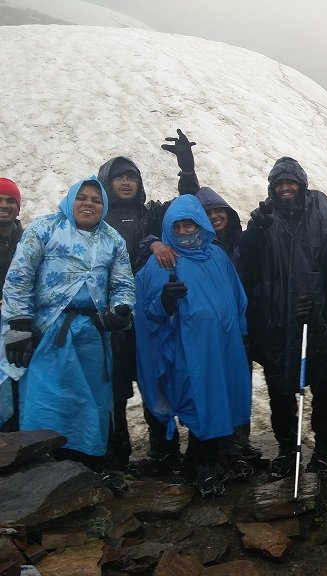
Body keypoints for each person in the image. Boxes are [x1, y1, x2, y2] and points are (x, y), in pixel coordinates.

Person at [0, 178, 135, 486]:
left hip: (93, 335)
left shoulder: (112, 239)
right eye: (82, 198)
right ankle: (43, 468)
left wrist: (121, 310)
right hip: (48, 332)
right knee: (49, 399)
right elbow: (19, 278)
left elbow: (123, 284)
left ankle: (86, 466)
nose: (89, 204)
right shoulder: (43, 229)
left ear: (104, 206)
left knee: (91, 402)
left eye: (96, 200)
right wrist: (19, 324)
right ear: (70, 200)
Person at [239, 156, 327, 477]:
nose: (285, 188)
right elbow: (246, 264)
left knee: (323, 390)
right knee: (280, 390)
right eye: (279, 184)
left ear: (301, 185)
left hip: (315, 321)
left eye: (290, 182)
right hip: (276, 321)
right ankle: (287, 449)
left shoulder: (318, 208)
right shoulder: (266, 217)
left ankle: (322, 452)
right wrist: (257, 228)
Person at [134, 196, 251, 497]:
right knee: (200, 402)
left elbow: (237, 295)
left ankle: (212, 460)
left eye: (190, 224)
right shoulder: (163, 259)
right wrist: (165, 302)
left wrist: (240, 330)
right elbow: (148, 310)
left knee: (222, 399)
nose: (185, 231)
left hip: (223, 346)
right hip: (188, 349)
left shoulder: (216, 255)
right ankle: (200, 466)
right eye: (179, 226)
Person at [97, 131, 198, 471]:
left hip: (153, 312)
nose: (126, 182)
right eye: (119, 177)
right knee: (114, 386)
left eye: (131, 177)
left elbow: (188, 205)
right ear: (106, 183)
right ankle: (117, 455)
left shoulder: (151, 214)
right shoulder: (95, 219)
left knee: (156, 379)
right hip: (112, 317)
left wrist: (186, 168)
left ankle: (165, 450)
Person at [0, 178, 24, 432]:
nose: (4, 205)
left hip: (20, 323)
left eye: (10, 200)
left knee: (18, 380)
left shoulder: (30, 240)